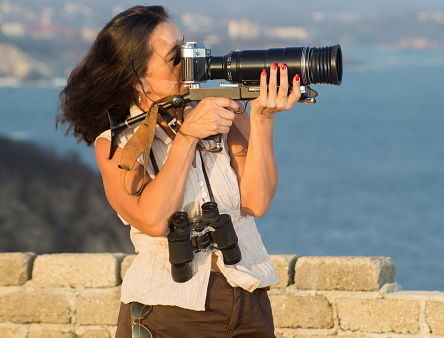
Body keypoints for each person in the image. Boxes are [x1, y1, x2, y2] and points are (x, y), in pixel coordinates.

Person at [58, 5, 301, 338]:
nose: (189, 63)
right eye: (175, 58)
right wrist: (187, 137)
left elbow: (256, 202)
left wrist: (262, 118)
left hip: (247, 297)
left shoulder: (223, 114)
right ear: (138, 79)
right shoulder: (117, 145)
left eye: (187, 48)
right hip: (168, 310)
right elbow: (154, 219)